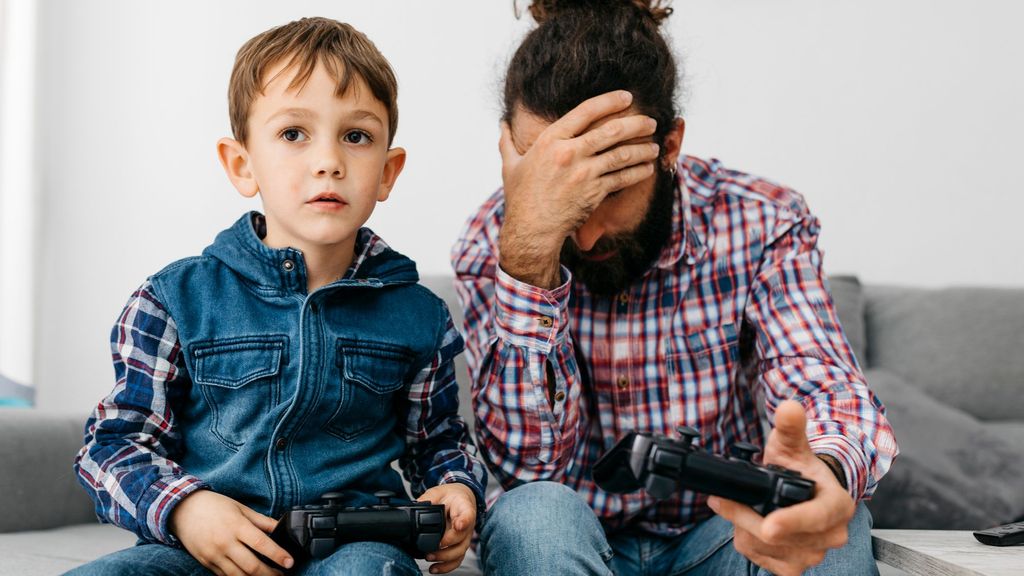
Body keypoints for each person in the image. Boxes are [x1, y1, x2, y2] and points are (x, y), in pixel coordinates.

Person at [451, 1, 898, 575]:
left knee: (828, 519)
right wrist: (529, 258)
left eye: (609, 188)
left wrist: (827, 471)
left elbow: (821, 380)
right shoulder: (492, 242)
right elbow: (526, 471)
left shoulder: (763, 219)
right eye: (559, 187)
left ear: (669, 147)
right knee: (530, 514)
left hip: (719, 539)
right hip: (574, 539)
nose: (584, 235)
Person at [71, 17, 486, 576]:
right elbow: (113, 446)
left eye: (356, 136)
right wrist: (185, 509)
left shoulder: (419, 317)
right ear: (242, 164)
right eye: (294, 134)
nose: (329, 161)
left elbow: (439, 443)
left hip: (352, 548)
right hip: (204, 550)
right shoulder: (174, 299)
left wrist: (456, 492)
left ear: (388, 173)